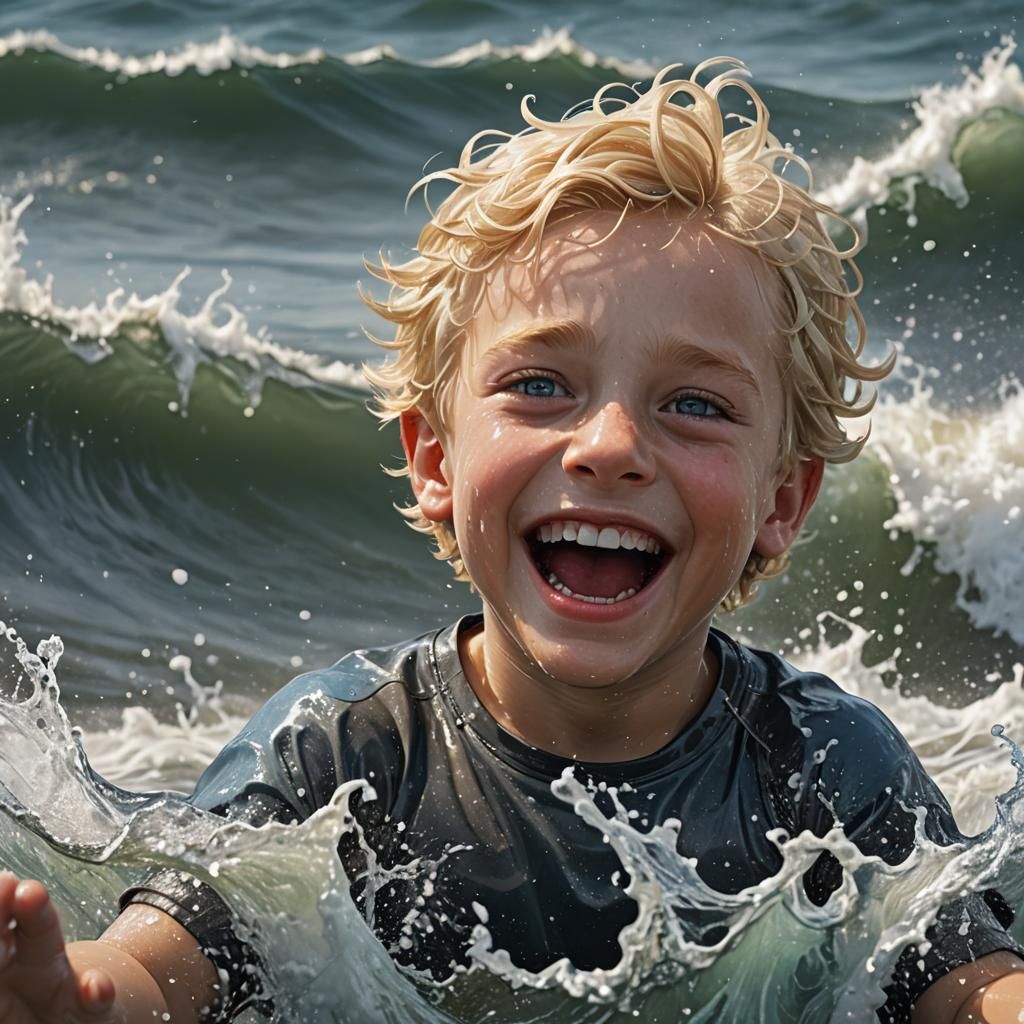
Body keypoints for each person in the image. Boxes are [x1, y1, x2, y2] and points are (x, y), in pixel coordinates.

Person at [2, 57, 1023, 1024]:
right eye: (539, 385)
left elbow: (969, 986)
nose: (610, 446)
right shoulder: (344, 757)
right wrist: (77, 997)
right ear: (434, 460)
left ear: (783, 499)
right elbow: (157, 967)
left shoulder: (826, 769)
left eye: (695, 403)